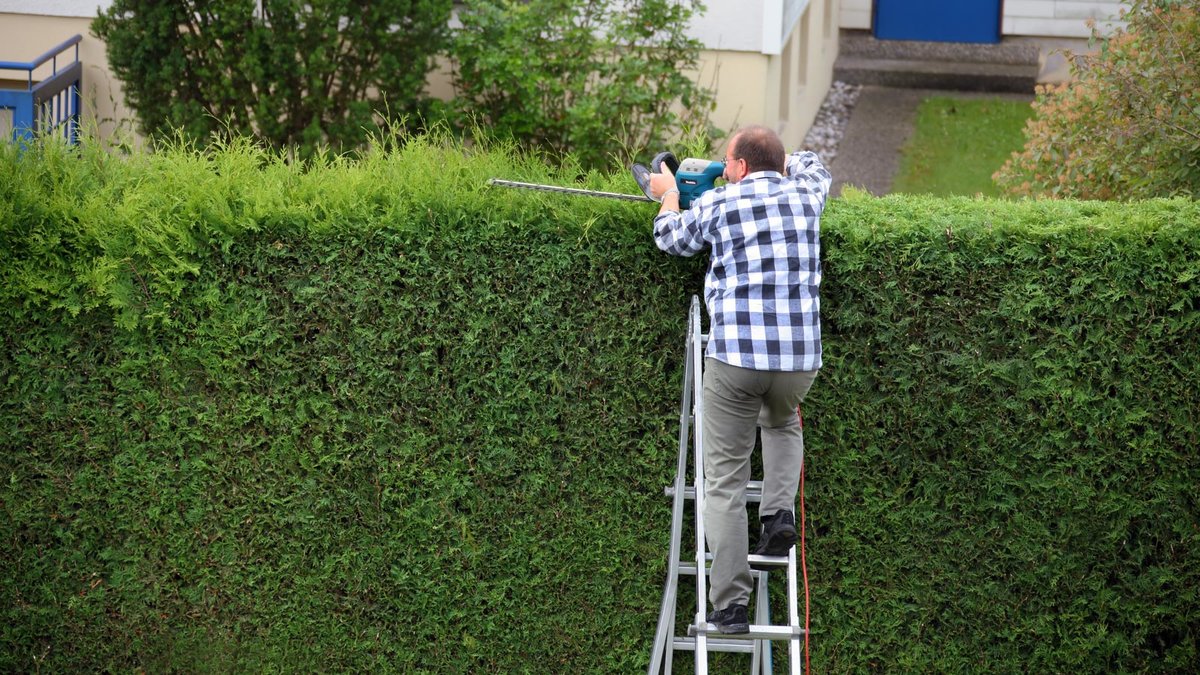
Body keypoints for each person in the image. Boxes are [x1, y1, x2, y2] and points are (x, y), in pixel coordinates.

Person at [649, 126, 830, 635]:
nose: (722, 170)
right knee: (781, 425)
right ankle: (777, 518)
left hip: (736, 359)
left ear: (742, 167)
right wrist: (768, 156)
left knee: (724, 481)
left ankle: (729, 606)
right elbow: (814, 162)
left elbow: (671, 239)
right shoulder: (808, 195)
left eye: (727, 163)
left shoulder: (719, 204)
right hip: (799, 360)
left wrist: (667, 198)